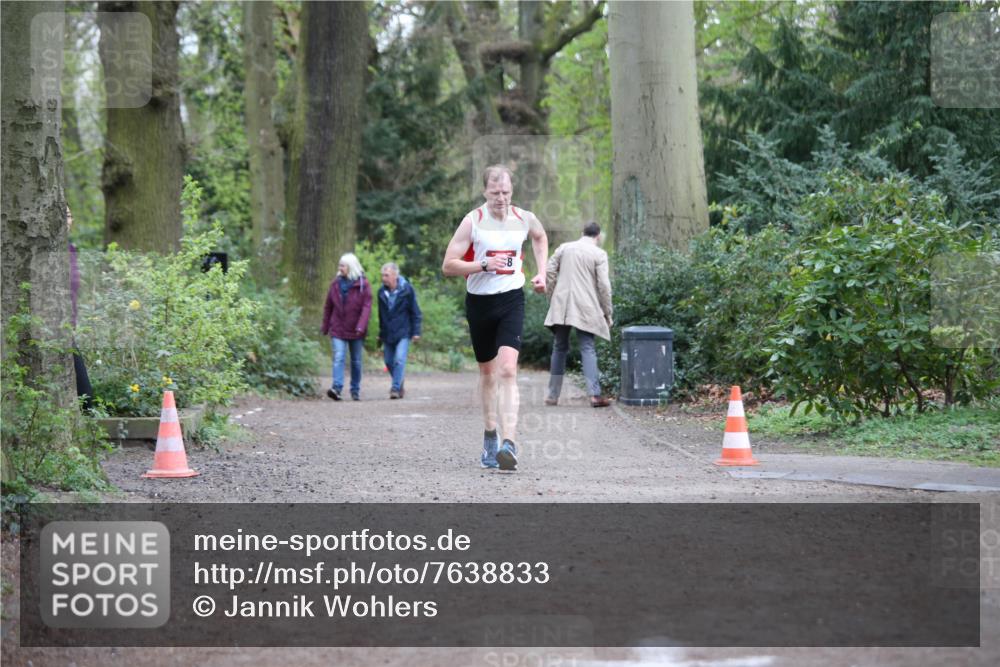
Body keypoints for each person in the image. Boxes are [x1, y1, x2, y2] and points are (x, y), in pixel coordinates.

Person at [442, 165, 548, 471]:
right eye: (495, 192)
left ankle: (509, 443)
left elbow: (540, 238)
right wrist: (482, 264)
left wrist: (541, 273)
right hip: (479, 304)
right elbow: (448, 266)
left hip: (511, 299)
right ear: (485, 191)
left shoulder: (524, 219)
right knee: (488, 375)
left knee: (508, 371)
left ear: (512, 191)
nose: (501, 198)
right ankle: (490, 435)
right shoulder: (472, 222)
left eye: (506, 192)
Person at [543, 221, 614, 408]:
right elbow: (604, 286)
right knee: (588, 347)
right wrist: (608, 312)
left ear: (581, 232)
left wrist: (552, 297)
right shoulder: (599, 254)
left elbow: (549, 272)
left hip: (563, 304)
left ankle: (552, 395)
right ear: (598, 236)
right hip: (586, 306)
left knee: (559, 347)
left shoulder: (564, 248)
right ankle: (594, 395)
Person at [321, 253, 372, 401]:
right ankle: (336, 388)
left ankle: (355, 389)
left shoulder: (364, 285)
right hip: (338, 327)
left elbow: (366, 307)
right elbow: (328, 307)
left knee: (356, 360)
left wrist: (361, 326)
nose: (340, 268)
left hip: (356, 330)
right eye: (339, 265)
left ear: (351, 267)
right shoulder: (335, 284)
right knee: (338, 357)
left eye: (343, 265)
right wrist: (325, 326)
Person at [377, 262, 422, 399]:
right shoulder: (381, 292)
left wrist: (416, 331)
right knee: (388, 361)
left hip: (404, 331)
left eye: (386, 275)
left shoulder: (407, 290)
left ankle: (395, 388)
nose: (383, 278)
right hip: (388, 333)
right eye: (382, 275)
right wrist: (380, 333)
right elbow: (381, 315)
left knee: (399, 360)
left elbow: (415, 311)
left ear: (395, 275)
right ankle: (399, 382)